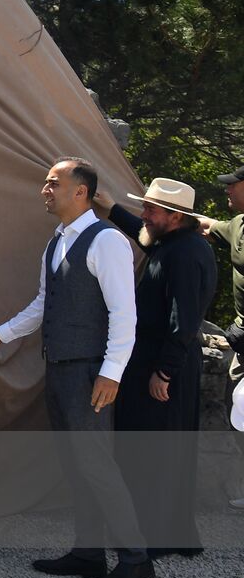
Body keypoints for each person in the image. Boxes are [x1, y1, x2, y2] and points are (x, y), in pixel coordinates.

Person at [0, 157, 152, 578]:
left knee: (97, 464)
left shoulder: (107, 241)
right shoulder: (56, 241)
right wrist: (1, 334)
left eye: (53, 183)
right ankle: (89, 552)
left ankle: (136, 558)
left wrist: (111, 374)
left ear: (81, 191)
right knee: (77, 464)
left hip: (90, 372)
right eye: (45, 182)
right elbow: (43, 303)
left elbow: (123, 313)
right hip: (59, 369)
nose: (45, 189)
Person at [92, 178, 217, 556]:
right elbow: (144, 235)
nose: (144, 214)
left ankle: (156, 539)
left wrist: (164, 372)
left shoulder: (185, 253)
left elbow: (185, 319)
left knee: (156, 454)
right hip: (156, 361)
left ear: (175, 216)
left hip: (164, 368)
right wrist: (113, 209)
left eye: (150, 209)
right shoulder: (172, 242)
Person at [196, 164, 244, 510]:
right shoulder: (239, 224)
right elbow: (208, 225)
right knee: (238, 409)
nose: (227, 190)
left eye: (234, 185)